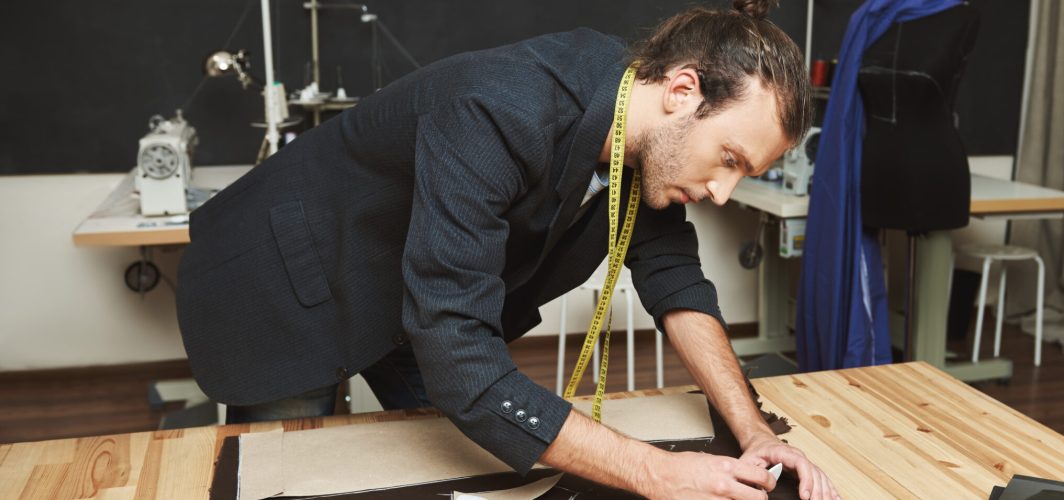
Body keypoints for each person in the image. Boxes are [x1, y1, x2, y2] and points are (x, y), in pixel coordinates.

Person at [176, 1, 837, 498]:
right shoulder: (499, 110)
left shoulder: (641, 139)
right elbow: (464, 361)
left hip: (408, 296)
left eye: (741, 174)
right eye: (728, 158)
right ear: (682, 91)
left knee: (476, 463)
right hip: (282, 285)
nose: (724, 192)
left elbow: (677, 283)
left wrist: (755, 434)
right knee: (293, 479)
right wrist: (653, 470)